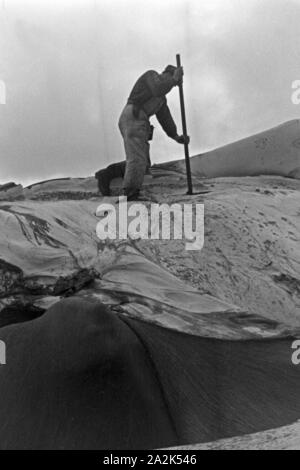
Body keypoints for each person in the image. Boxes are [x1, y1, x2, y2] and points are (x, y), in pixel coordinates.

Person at [95, 65, 189, 200]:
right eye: (172, 81)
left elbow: (165, 118)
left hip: (138, 119)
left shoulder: (161, 99)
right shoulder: (152, 76)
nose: (172, 87)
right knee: (138, 158)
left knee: (143, 164)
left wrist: (176, 136)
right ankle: (131, 192)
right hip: (133, 116)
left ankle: (107, 174)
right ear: (167, 74)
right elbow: (157, 88)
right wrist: (174, 79)